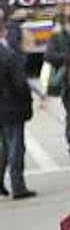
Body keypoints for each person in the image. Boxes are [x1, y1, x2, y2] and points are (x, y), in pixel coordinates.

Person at [45, 5, 70, 163]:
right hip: (68, 84)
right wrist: (69, 57)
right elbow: (49, 56)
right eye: (67, 13)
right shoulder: (57, 35)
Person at [0, 15, 34, 199]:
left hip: (4, 106)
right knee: (15, 147)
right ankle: (18, 186)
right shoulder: (8, 53)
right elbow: (18, 83)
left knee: (5, 145)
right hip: (11, 106)